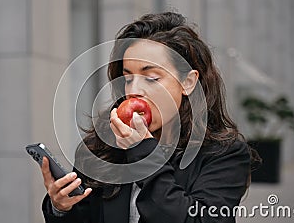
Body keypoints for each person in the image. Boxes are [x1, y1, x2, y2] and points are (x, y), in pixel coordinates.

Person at [40, 12, 261, 223]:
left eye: (152, 78)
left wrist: (143, 153)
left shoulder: (223, 154)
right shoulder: (102, 147)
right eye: (127, 79)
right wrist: (61, 208)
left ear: (188, 82)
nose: (134, 90)